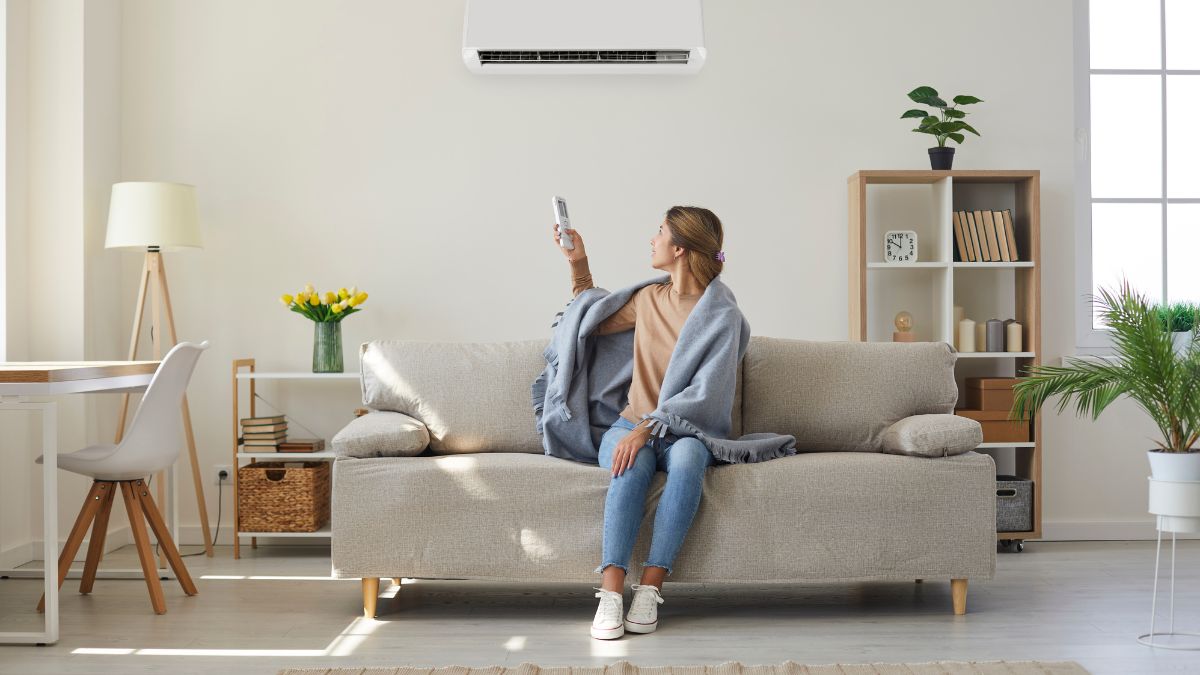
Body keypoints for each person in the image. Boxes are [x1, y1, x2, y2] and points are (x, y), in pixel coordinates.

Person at [551, 206, 728, 640]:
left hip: (687, 430)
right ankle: (611, 591)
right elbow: (588, 321)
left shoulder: (722, 316)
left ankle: (650, 587)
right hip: (628, 425)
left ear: (680, 249)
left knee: (687, 459)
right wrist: (578, 263)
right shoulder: (649, 299)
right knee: (633, 463)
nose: (652, 239)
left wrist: (647, 429)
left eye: (660, 232)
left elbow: (706, 394)